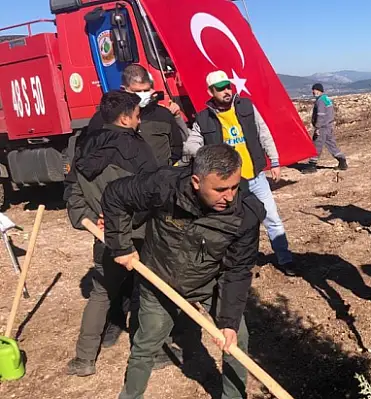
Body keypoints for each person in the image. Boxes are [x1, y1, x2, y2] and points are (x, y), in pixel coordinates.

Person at [102, 144, 263, 399]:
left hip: (209, 282)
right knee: (145, 345)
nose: (230, 196)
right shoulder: (165, 185)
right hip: (159, 279)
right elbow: (115, 195)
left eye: (234, 186)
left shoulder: (245, 213)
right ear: (197, 181)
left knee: (237, 339)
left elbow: (238, 270)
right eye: (220, 189)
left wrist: (229, 321)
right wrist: (121, 245)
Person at [64, 90, 163, 376]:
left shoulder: (83, 145)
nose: (139, 118)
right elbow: (151, 193)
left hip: (104, 236)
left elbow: (73, 195)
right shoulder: (136, 148)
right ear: (124, 118)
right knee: (148, 292)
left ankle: (84, 359)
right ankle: (152, 352)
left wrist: (92, 220)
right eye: (136, 113)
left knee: (102, 292)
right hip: (138, 234)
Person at [191, 70, 298, 276]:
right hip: (230, 185)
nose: (226, 91)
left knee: (272, 218)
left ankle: (286, 259)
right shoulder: (203, 118)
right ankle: (236, 266)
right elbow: (193, 144)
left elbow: (263, 131)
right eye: (220, 88)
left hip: (256, 176)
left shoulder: (246, 106)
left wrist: (274, 161)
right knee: (232, 225)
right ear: (210, 91)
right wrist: (200, 156)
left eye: (227, 86)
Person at [86, 64, 183, 166]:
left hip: (158, 177)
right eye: (137, 91)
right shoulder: (104, 118)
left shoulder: (163, 114)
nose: (143, 94)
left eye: (146, 90)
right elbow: (91, 152)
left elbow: (176, 147)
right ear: (124, 89)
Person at [303, 83, 348, 173]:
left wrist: (317, 127)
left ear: (319, 90)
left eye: (314, 90)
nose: (313, 92)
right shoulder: (326, 99)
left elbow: (321, 115)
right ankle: (342, 161)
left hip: (323, 127)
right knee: (332, 145)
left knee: (316, 145)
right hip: (329, 126)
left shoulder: (320, 101)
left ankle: (312, 166)